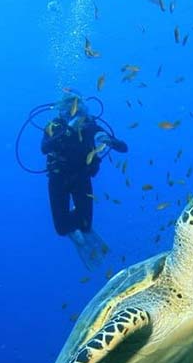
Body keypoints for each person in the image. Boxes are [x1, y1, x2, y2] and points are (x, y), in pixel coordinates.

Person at [42, 93, 128, 269]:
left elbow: (124, 148)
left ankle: (79, 223)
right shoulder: (54, 126)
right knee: (61, 229)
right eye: (69, 110)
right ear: (62, 111)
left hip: (82, 177)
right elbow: (44, 148)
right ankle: (73, 228)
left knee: (86, 226)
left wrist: (109, 140)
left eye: (77, 109)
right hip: (58, 179)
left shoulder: (90, 127)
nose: (73, 114)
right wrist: (69, 130)